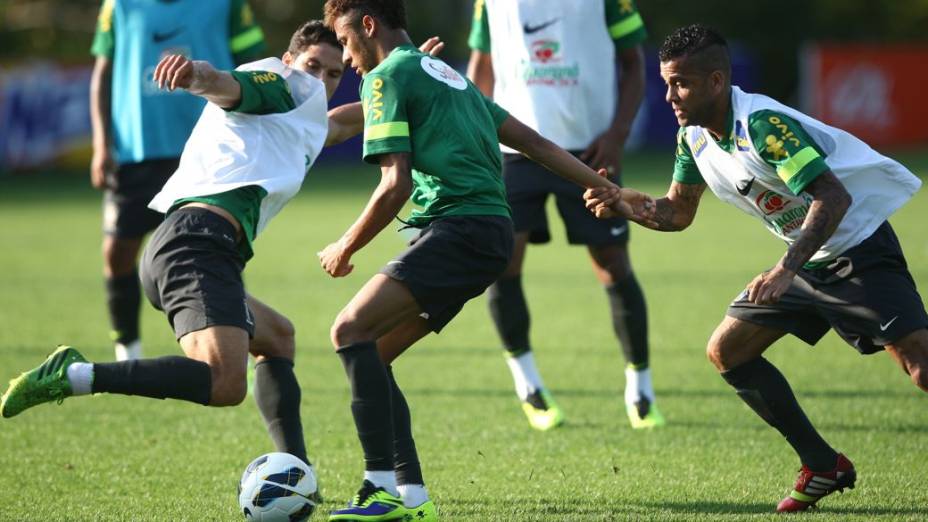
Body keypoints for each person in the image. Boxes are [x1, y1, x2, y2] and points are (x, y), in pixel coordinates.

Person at [0, 21, 373, 493]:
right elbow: (223, 83)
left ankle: (298, 476)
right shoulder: (275, 83)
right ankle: (74, 375)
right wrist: (193, 74)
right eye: (312, 66)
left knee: (277, 338)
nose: (320, 80)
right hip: (196, 242)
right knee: (225, 383)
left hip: (193, 247)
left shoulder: (301, 116)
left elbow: (340, 126)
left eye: (333, 73)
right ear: (288, 61)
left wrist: (398, 80)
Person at [584, 24, 928, 513]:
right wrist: (624, 205)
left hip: (858, 249)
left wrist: (786, 268)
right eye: (666, 82)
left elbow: (834, 196)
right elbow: (677, 212)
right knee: (728, 351)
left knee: (921, 368)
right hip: (802, 261)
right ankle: (822, 465)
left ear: (718, 82)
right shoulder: (694, 138)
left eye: (680, 83)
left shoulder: (763, 126)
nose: (669, 96)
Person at [319, 1, 633, 520]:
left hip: (458, 230)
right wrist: (606, 187)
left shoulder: (384, 80)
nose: (349, 59)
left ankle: (376, 489)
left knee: (348, 330)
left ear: (367, 26)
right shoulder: (449, 76)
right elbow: (533, 143)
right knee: (372, 354)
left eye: (346, 42)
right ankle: (413, 500)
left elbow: (394, 185)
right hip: (491, 233)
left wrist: (345, 245)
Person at [466, 0, 660, 430]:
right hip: (513, 149)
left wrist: (617, 135)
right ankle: (529, 385)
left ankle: (640, 387)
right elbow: (483, 63)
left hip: (590, 149)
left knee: (612, 265)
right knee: (503, 263)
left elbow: (634, 63)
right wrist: (479, 134)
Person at [90, 0, 266, 361]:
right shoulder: (119, 4)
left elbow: (255, 64)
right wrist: (100, 143)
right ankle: (128, 350)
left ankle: (235, 347)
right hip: (137, 147)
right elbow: (102, 73)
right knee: (117, 253)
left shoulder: (227, 4)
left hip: (207, 147)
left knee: (217, 249)